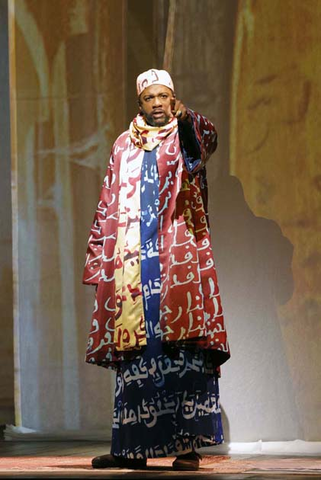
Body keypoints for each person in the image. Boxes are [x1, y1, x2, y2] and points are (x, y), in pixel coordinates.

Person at [83, 68, 230, 471]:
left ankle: (187, 449)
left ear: (174, 99)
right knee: (136, 358)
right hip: (132, 264)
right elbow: (107, 201)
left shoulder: (184, 134)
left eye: (165, 96)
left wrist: (187, 119)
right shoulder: (122, 146)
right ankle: (131, 448)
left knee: (181, 353)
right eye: (151, 98)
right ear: (140, 104)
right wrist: (99, 259)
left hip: (175, 259)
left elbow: (207, 142)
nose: (159, 104)